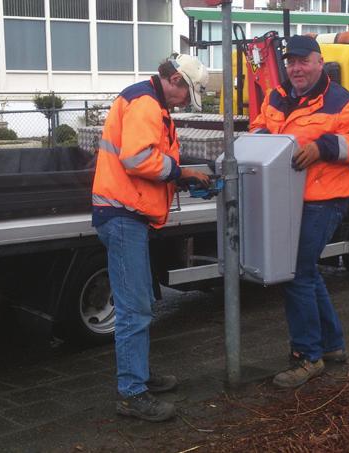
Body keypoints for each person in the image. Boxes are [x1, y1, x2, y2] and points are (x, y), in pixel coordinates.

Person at [250, 35, 349, 388]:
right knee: (307, 273)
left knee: (296, 273)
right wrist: (263, 137)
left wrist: (324, 146)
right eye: (291, 62)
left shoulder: (342, 102)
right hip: (289, 197)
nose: (296, 68)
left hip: (326, 199)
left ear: (319, 62)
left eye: (303, 61)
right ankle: (332, 346)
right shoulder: (276, 96)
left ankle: (307, 356)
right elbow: (259, 125)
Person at [91, 54, 211, 421]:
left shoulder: (147, 100)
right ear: (173, 79)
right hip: (123, 214)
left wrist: (178, 173)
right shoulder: (145, 103)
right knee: (134, 308)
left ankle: (138, 375)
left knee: (138, 303)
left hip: (124, 214)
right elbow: (138, 158)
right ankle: (131, 393)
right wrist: (180, 171)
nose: (184, 102)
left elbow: (146, 155)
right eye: (185, 94)